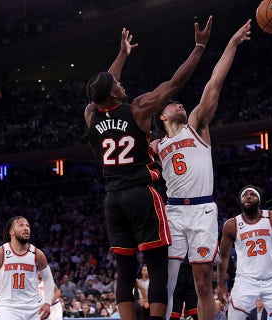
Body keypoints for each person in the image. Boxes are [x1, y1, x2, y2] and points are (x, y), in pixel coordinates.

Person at [84, 16, 212, 320]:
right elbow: (176, 83)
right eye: (116, 83)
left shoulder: (91, 114)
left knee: (125, 271)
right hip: (141, 194)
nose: (120, 82)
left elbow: (100, 93)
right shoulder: (138, 109)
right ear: (113, 94)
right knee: (156, 267)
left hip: (112, 199)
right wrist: (199, 46)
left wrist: (122, 56)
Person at [152, 19, 252, 320]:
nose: (178, 104)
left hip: (202, 211)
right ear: (162, 116)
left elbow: (214, 82)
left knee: (202, 284)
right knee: (166, 283)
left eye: (180, 103)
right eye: (172, 105)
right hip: (172, 211)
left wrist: (231, 44)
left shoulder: (196, 124)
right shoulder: (156, 145)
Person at [218, 186, 272, 320]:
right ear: (240, 201)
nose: (247, 196)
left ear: (259, 200)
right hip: (245, 280)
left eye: (252, 194)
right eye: (244, 195)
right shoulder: (231, 225)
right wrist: (220, 284)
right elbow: (223, 255)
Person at [0, 216, 55, 320]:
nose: (26, 228)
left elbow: (48, 278)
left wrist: (47, 302)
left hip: (35, 307)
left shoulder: (38, 254)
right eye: (21, 225)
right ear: (11, 232)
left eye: (27, 225)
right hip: (9, 308)